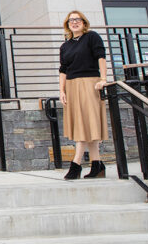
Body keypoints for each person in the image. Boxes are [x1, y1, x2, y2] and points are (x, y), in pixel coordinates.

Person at [59, 10, 108, 180]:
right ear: (67, 24)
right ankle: (97, 165)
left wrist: (103, 79)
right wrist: (62, 91)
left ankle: (76, 164)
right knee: (85, 125)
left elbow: (101, 57)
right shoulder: (65, 46)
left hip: (90, 83)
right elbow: (63, 70)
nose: (74, 22)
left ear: (84, 22)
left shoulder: (92, 37)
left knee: (85, 125)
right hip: (72, 86)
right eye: (71, 20)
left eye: (77, 19)